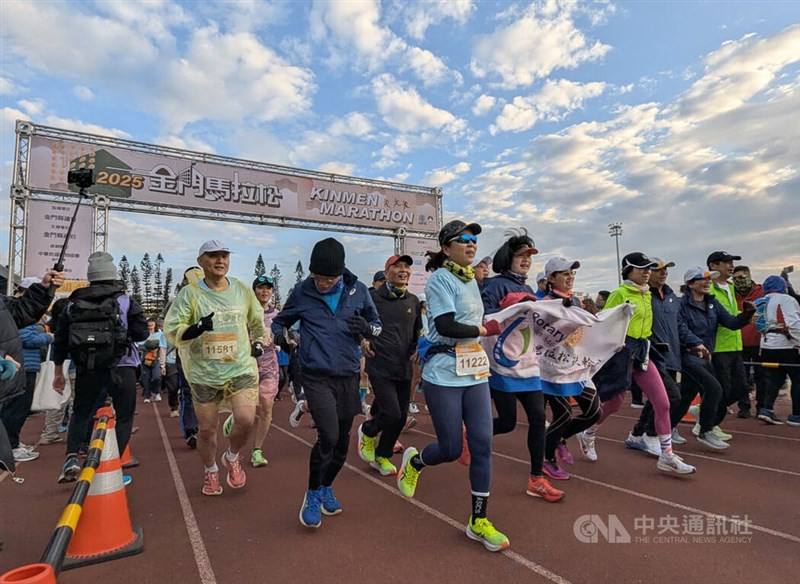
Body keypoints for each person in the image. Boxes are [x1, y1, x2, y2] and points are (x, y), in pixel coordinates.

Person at [396, 220, 510, 553]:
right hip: (444, 372)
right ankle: (416, 463)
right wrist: (485, 330)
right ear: (447, 248)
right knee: (448, 449)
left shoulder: (471, 279)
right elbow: (445, 324)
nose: (472, 244)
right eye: (464, 240)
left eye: (474, 239)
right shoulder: (440, 280)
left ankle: (478, 521)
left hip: (474, 373)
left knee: (482, 444)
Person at [271, 237, 381, 529]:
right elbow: (279, 321)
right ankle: (311, 495)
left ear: (341, 273)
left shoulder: (359, 292)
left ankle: (326, 486)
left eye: (329, 279)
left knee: (343, 442)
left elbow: (377, 325)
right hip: (316, 374)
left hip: (347, 374)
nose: (322, 284)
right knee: (328, 436)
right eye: (317, 277)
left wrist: (367, 329)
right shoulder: (302, 292)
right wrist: (282, 337)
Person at [164, 241, 266, 496]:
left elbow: (257, 321)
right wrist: (197, 328)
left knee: (245, 418)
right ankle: (210, 470)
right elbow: (172, 330)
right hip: (204, 374)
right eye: (213, 256)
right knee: (208, 430)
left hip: (239, 368)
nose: (220, 261)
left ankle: (232, 457)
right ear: (201, 261)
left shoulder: (242, 290)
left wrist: (258, 342)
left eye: (224, 256)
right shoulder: (189, 295)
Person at [589, 252, 695, 475]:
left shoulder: (647, 294)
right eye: (641, 268)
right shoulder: (619, 294)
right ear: (628, 270)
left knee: (663, 402)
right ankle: (589, 431)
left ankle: (667, 455)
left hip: (643, 351)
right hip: (621, 352)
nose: (647, 272)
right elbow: (604, 325)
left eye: (649, 268)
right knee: (614, 404)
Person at [481, 230, 564, 502]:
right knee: (506, 423)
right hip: (502, 365)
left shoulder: (529, 288)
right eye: (522, 255)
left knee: (538, 419)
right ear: (508, 257)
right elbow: (485, 320)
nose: (527, 260)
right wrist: (511, 304)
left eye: (530, 256)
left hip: (528, 366)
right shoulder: (493, 286)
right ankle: (474, 432)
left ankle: (536, 478)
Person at [52, 252, 146, 483]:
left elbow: (61, 339)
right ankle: (107, 466)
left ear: (90, 276)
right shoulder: (125, 301)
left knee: (81, 412)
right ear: (114, 276)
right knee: (123, 417)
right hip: (121, 365)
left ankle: (72, 456)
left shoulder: (73, 302)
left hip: (87, 367)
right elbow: (142, 333)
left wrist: (58, 372)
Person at [672, 268, 752, 449]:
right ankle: (705, 430)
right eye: (704, 279)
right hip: (688, 355)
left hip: (705, 355)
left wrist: (746, 315)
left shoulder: (712, 304)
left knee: (686, 395)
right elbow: (680, 328)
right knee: (715, 389)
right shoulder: (681, 305)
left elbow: (731, 323)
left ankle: (666, 427)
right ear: (691, 284)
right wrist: (695, 343)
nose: (708, 282)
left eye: (710, 279)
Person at [357, 254, 422, 476]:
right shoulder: (372, 298)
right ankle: (367, 430)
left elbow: (416, 333)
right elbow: (358, 323)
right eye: (398, 267)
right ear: (387, 273)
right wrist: (363, 340)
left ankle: (381, 455)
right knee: (393, 413)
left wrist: (416, 349)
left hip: (403, 367)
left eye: (407, 267)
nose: (404, 270)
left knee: (401, 417)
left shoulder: (413, 301)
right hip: (379, 364)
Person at [539, 257, 602, 480]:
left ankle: (558, 439)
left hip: (574, 366)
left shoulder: (575, 301)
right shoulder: (544, 304)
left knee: (595, 411)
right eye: (565, 273)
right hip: (551, 370)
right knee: (563, 414)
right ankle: (547, 459)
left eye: (572, 273)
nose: (570, 277)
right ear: (551, 278)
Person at [0, 271, 62, 466]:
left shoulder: (5, 304)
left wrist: (45, 288)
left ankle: (12, 445)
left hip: (10, 379)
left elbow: (20, 312)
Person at [625, 258, 686, 455]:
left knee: (658, 399)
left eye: (665, 269)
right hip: (649, 354)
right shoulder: (639, 295)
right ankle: (652, 436)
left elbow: (680, 325)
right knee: (671, 396)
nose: (663, 273)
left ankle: (637, 435)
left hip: (672, 355)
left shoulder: (671, 297)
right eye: (657, 269)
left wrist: (694, 342)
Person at [222, 274, 279, 467]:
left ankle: (257, 450)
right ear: (254, 291)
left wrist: (278, 340)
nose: (265, 291)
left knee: (266, 404)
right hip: (246, 365)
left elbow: (285, 336)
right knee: (247, 408)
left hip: (269, 367)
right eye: (261, 287)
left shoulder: (276, 315)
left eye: (268, 288)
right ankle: (235, 417)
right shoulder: (244, 312)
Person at [707, 251, 749, 436]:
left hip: (735, 344)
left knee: (741, 388)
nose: (730, 266)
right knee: (722, 389)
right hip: (718, 346)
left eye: (732, 262)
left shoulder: (730, 287)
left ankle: (704, 413)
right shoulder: (708, 288)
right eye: (726, 263)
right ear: (713, 266)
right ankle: (708, 424)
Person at [755, 276, 800, 425]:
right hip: (787, 345)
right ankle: (797, 415)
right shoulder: (786, 299)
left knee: (773, 379)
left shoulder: (760, 301)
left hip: (767, 345)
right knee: (797, 379)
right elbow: (793, 323)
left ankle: (766, 409)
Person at [732, 265, 765, 417]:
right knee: (741, 378)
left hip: (759, 342)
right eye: (735, 278)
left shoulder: (762, 292)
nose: (738, 281)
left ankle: (762, 407)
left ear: (749, 276)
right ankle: (744, 407)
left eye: (741, 278)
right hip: (739, 342)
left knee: (762, 376)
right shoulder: (731, 294)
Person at [139, 319, 166, 403]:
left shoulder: (160, 334)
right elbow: (139, 345)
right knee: (146, 378)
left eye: (152, 325)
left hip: (156, 359)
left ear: (155, 325)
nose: (150, 327)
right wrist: (148, 348)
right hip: (145, 359)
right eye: (149, 325)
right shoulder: (143, 334)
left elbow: (163, 347)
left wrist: (162, 363)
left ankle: (156, 392)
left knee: (156, 377)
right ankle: (147, 395)